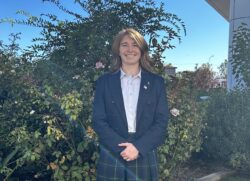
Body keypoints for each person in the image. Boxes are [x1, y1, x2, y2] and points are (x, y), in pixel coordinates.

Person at [92, 28, 168, 181]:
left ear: (141, 50)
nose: (130, 49)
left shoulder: (156, 83)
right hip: (113, 152)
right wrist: (122, 148)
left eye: (135, 44)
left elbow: (161, 122)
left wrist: (138, 147)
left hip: (144, 151)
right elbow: (98, 120)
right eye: (124, 45)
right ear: (118, 50)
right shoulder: (104, 82)